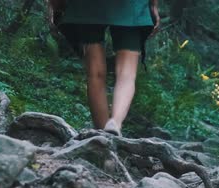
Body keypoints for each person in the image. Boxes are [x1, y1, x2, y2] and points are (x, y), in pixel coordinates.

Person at [48, 0, 160, 136]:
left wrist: (55, 4)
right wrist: (153, 5)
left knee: (95, 73)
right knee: (127, 74)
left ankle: (101, 137)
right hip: (131, 5)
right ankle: (115, 123)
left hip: (85, 6)